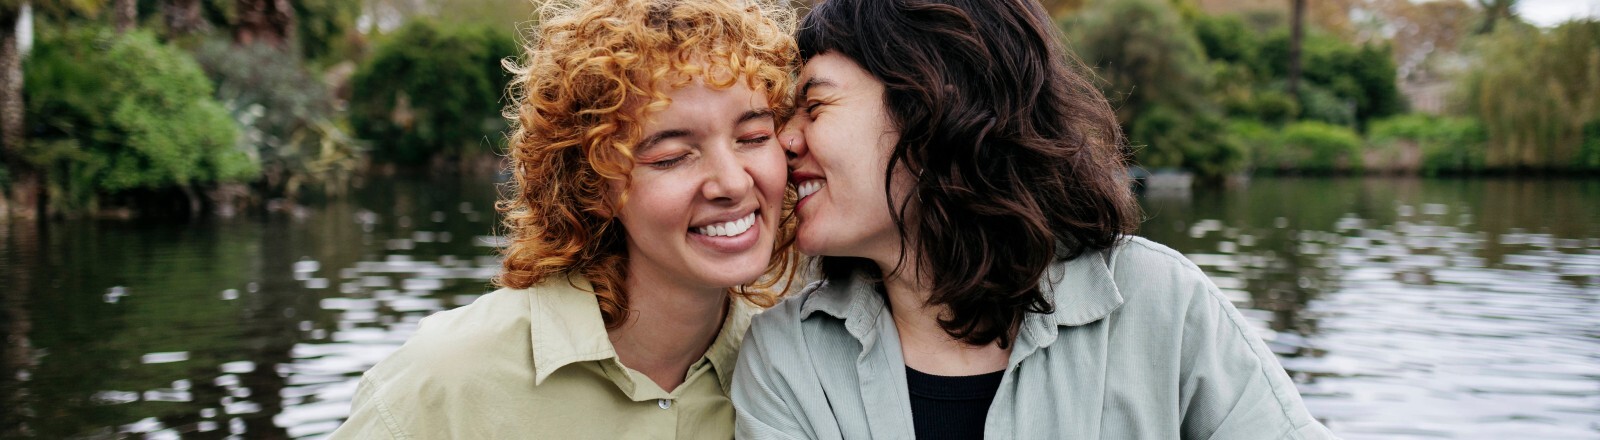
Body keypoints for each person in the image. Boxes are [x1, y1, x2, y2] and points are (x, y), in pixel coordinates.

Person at [731, 0, 1337, 438]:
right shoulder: (789, 358)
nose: (783, 139)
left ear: (934, 104)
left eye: (814, 104)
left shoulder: (1160, 305)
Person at [331, 0, 797, 437]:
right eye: (672, 157)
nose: (733, 183)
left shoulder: (796, 367)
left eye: (754, 136)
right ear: (593, 187)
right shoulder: (446, 378)